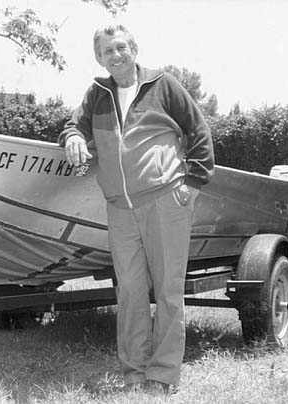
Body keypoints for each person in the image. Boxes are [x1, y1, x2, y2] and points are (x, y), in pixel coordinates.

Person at [58, 24, 214, 392]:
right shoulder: (96, 94)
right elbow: (71, 126)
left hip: (165, 200)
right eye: (108, 51)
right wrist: (75, 137)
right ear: (99, 58)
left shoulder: (163, 84)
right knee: (129, 291)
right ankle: (134, 372)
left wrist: (192, 183)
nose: (116, 55)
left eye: (122, 47)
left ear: (135, 49)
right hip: (120, 208)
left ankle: (162, 375)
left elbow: (199, 130)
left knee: (167, 291)